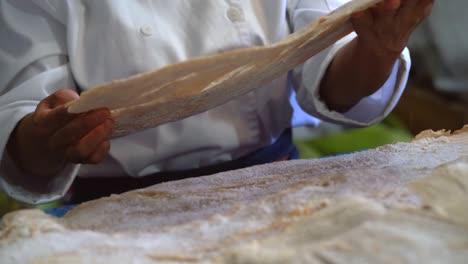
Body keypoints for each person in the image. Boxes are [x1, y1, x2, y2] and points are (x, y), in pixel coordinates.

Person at [0, 0, 433, 204]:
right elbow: (25, 117)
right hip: (116, 210)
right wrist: (45, 139)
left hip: (276, 189)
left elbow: (332, 74)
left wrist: (378, 48)